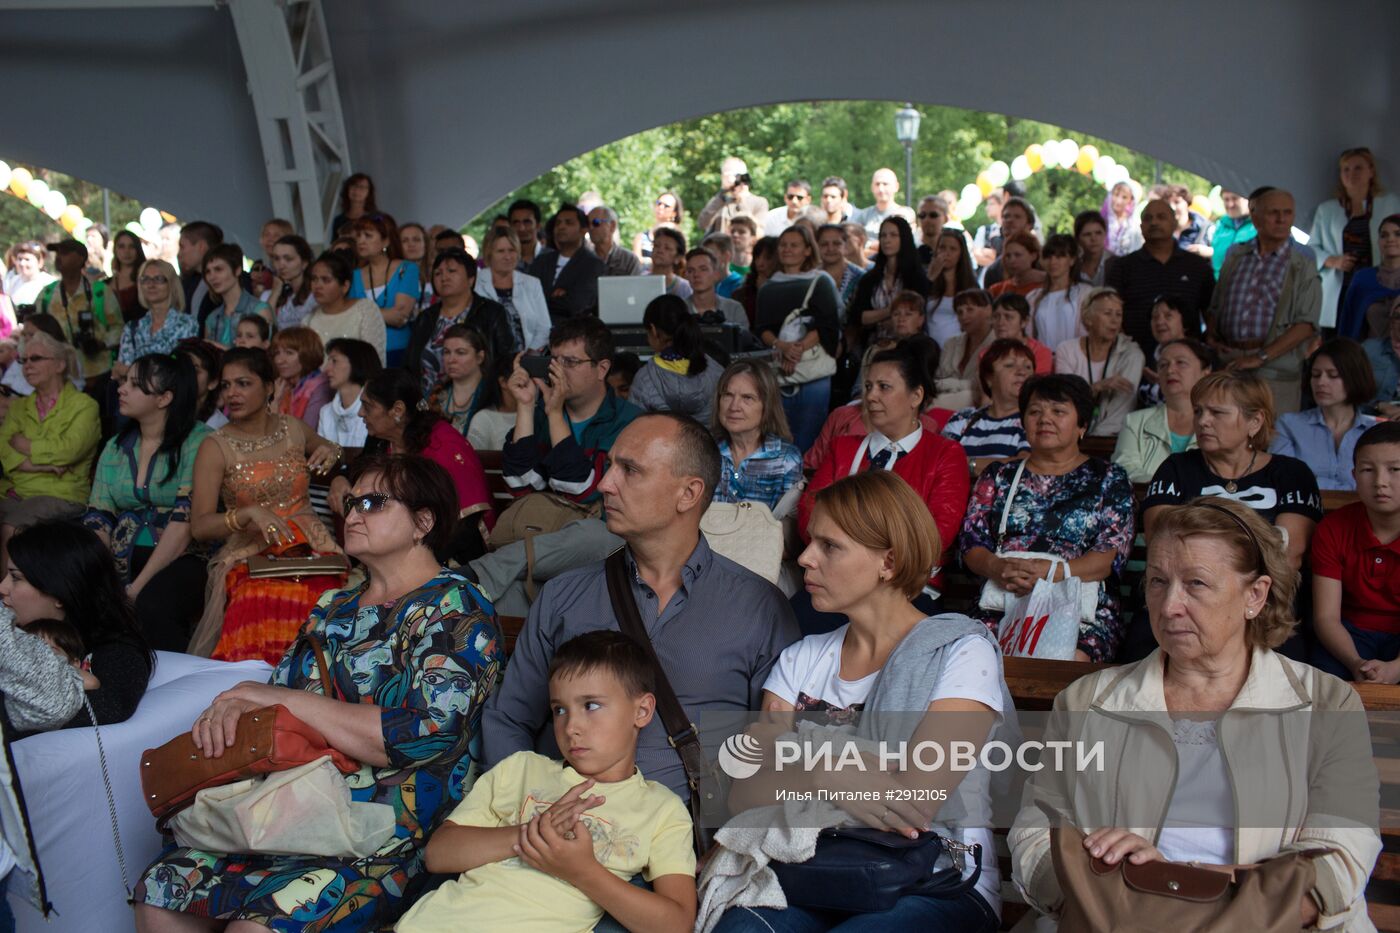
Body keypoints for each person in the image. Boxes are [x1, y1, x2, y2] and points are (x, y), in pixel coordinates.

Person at [134, 453, 502, 933]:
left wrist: (282, 701)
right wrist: (230, 710)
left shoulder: (456, 607)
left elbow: (424, 736)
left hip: (383, 823)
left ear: (423, 522)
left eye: (373, 503)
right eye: (350, 503)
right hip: (292, 804)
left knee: (258, 927)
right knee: (161, 892)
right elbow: (273, 703)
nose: (351, 515)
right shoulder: (335, 604)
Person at [1009, 496, 1381, 932]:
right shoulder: (1086, 702)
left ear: (1255, 595)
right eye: (1157, 582)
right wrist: (1112, 888)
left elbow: (1340, 858)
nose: (1169, 607)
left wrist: (1176, 884)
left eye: (1196, 584)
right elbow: (1036, 833)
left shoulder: (1324, 704)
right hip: (1110, 918)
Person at [711, 469, 1007, 933]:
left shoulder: (961, 650)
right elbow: (743, 796)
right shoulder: (803, 657)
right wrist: (826, 772)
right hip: (811, 867)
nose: (805, 558)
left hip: (933, 880)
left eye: (830, 546)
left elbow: (914, 801)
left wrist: (797, 758)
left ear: (887, 561)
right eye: (810, 542)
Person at [482, 412, 799, 800]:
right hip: (559, 830)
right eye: (610, 465)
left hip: (687, 845)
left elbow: (775, 752)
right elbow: (509, 719)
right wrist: (525, 810)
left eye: (629, 470)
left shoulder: (759, 609)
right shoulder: (565, 596)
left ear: (689, 493)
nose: (605, 484)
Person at [400, 630, 697, 933]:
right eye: (559, 710)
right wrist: (533, 834)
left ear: (642, 710)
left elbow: (676, 924)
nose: (572, 726)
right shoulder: (521, 769)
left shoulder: (661, 809)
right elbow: (438, 855)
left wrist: (583, 871)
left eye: (591, 705)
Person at [960, 373, 1136, 661]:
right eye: (1034, 411)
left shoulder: (1109, 478)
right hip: (1003, 600)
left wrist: (1052, 574)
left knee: (1072, 658)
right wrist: (996, 567)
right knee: (972, 658)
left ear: (1082, 424)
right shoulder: (999, 476)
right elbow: (971, 543)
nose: (1044, 419)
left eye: (1058, 411)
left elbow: (1109, 556)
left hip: (1079, 607)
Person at [186, 348, 346, 663]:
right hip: (251, 554)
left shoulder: (293, 428)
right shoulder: (215, 446)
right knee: (258, 600)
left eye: (243, 383)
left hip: (312, 547)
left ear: (270, 387)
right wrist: (246, 514)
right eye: (226, 386)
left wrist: (333, 454)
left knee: (327, 597)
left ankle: (320, 688)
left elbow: (329, 449)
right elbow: (199, 526)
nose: (232, 394)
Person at [800, 338, 969, 621]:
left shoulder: (945, 453)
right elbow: (809, 510)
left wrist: (868, 562)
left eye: (884, 387)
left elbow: (937, 532)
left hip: (907, 587)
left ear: (916, 396)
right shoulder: (843, 447)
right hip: (833, 580)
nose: (871, 396)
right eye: (868, 387)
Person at [85, 353, 211, 650]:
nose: (121, 389)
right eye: (124, 380)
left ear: (165, 398)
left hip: (184, 556)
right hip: (119, 556)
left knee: (153, 606)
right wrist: (103, 578)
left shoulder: (199, 441)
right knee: (84, 598)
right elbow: (98, 517)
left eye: (135, 384)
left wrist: (134, 590)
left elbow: (184, 523)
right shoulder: (116, 446)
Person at [1143, 370, 1322, 573]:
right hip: (1190, 590)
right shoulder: (1176, 468)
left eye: (1217, 412)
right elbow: (1162, 543)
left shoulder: (1292, 474)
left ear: (1255, 421)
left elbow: (1289, 555)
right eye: (1198, 411)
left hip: (1268, 595)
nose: (1203, 421)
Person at [0, 519, 153, 729]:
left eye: (16, 578)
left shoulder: (114, 651)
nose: (2, 587)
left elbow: (111, 705)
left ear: (58, 591)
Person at [1205, 187, 1321, 414]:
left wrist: (1261, 357)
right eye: (1273, 212)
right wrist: (1211, 335)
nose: (1281, 219)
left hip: (1275, 371)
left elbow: (1306, 324)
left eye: (1287, 213)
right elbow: (1215, 306)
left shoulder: (1302, 263)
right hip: (1230, 362)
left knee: (1272, 440)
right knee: (1227, 435)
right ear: (1255, 215)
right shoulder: (1236, 255)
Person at [502, 316, 639, 504]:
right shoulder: (542, 414)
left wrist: (556, 415)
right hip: (545, 527)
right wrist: (525, 406)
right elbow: (520, 486)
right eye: (554, 360)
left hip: (600, 531)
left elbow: (583, 493)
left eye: (570, 362)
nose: (557, 370)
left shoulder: (629, 422)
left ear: (602, 369)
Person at [1311, 421, 1400, 681]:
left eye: (1395, 469)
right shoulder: (1334, 528)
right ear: (1353, 476)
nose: (1380, 482)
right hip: (1349, 636)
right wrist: (1355, 663)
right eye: (1367, 470)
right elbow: (1326, 617)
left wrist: (1394, 669)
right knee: (1324, 682)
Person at [0, 331, 100, 545]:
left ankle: (8, 580)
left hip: (61, 494)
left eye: (35, 358)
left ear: (60, 365)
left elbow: (68, 450)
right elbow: (2, 448)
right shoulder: (18, 407)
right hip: (14, 491)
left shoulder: (84, 406)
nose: (27, 365)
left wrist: (25, 445)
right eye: (23, 360)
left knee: (12, 526)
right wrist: (40, 467)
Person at [756, 226, 840, 451]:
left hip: (813, 373)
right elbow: (761, 327)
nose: (787, 249)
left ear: (807, 250)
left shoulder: (820, 281)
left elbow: (827, 323)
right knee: (777, 438)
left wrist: (797, 349)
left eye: (794, 245)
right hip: (778, 371)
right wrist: (782, 346)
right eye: (783, 245)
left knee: (810, 439)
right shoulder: (768, 286)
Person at [1105, 197, 1214, 361]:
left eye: (1161, 217)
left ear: (1174, 223)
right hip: (1135, 360)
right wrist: (1128, 356)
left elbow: (1210, 312)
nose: (1154, 222)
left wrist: (1208, 345)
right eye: (1148, 218)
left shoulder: (1197, 266)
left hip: (1188, 361)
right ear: (1141, 227)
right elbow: (1111, 314)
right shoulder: (1123, 267)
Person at [1309, 147, 1400, 327]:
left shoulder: (1390, 203)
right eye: (1346, 169)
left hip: (1382, 285)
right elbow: (1311, 248)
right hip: (1341, 287)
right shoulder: (1327, 210)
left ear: (1371, 171)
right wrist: (1332, 260)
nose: (1352, 174)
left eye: (1358, 168)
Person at [1271, 338, 1378, 491]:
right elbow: (1284, 479)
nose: (1321, 382)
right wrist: (1353, 488)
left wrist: (1312, 480)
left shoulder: (1375, 431)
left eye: (1333, 375)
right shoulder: (1289, 425)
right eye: (1315, 375)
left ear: (1355, 378)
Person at [404, 248, 511, 394]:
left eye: (451, 271)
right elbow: (410, 364)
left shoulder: (491, 312)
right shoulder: (426, 317)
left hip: (477, 398)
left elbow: (505, 360)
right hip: (426, 401)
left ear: (471, 278)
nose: (444, 277)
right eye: (438, 273)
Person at [1113, 338, 1215, 483]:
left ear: (1205, 373)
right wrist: (1169, 487)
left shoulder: (1219, 421)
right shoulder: (1135, 421)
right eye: (1163, 365)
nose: (1170, 370)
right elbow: (1124, 470)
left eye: (1181, 363)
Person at [711, 360, 802, 510]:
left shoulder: (786, 459)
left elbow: (788, 522)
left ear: (767, 406)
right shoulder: (704, 450)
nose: (734, 407)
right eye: (728, 395)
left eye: (747, 398)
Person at [1053, 286, 1145, 436]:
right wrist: (1097, 387)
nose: (1115, 320)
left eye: (1119, 314)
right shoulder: (1067, 349)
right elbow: (1064, 398)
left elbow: (1122, 408)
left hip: (1110, 436)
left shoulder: (1131, 354)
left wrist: (1096, 438)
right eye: (1107, 313)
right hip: (1069, 432)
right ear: (1087, 318)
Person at [35, 238, 120, 392]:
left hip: (97, 374)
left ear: (81, 258)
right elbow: (34, 332)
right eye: (57, 253)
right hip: (59, 374)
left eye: (65, 253)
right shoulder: (47, 294)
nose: (59, 257)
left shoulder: (99, 291)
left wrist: (100, 344)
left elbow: (119, 328)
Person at [628, 295, 722, 425]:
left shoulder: (644, 379)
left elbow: (635, 429)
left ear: (653, 330)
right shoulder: (716, 371)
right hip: (710, 445)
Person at [942, 338, 1035, 469]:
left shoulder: (1033, 420)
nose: (1022, 372)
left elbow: (1022, 466)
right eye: (1010, 365)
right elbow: (940, 462)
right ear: (988, 378)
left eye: (1028, 367)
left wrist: (968, 465)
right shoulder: (963, 418)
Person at [349, 215, 420, 366]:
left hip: (398, 352)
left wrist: (362, 312)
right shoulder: (354, 275)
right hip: (365, 355)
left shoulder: (407, 268)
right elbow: (350, 316)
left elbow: (400, 317)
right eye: (359, 236)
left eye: (368, 235)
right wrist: (384, 314)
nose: (361, 241)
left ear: (386, 241)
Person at [849, 216, 930, 342]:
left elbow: (918, 313)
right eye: (883, 235)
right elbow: (859, 316)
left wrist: (877, 317)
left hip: (908, 346)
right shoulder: (870, 278)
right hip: (874, 345)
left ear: (903, 238)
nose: (887, 240)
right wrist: (890, 311)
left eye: (893, 235)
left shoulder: (916, 277)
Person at [115, 258, 197, 380]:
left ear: (172, 284)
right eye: (145, 279)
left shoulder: (187, 324)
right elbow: (121, 375)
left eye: (158, 279)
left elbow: (183, 372)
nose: (151, 284)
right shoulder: (132, 328)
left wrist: (132, 372)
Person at [475, 228, 552, 355]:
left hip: (527, 359)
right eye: (500, 251)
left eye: (512, 250)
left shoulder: (532, 283)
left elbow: (544, 328)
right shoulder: (475, 283)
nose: (507, 256)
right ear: (489, 253)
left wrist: (529, 355)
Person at [304, 250, 388, 362]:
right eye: (314, 279)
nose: (317, 286)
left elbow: (374, 361)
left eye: (326, 280)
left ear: (345, 286)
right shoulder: (308, 320)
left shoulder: (365, 310)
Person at [528, 205, 606, 322]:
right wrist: (555, 295)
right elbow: (528, 298)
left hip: (572, 331)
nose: (561, 227)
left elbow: (577, 305)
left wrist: (544, 297)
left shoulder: (593, 264)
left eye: (568, 223)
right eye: (558, 223)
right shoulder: (541, 260)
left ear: (583, 230)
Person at [1337, 212, 1400, 340]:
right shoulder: (1363, 279)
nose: (1390, 239)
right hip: (1369, 355)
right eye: (1384, 235)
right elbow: (1347, 324)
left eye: (1398, 234)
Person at [422, 324, 494, 435]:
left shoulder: (494, 394)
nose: (451, 360)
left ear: (480, 357)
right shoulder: (434, 394)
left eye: (460, 352)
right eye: (446, 352)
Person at [200, 242, 273, 348]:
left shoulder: (260, 310)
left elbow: (264, 356)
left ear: (237, 270)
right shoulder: (212, 318)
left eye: (218, 269)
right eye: (207, 272)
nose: (212, 276)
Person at [934, 287, 996, 410]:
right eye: (959, 312)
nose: (964, 316)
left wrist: (951, 384)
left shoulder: (997, 344)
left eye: (970, 309)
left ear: (988, 310)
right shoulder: (950, 344)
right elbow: (939, 378)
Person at [318, 337, 380, 454]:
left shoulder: (377, 410)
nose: (326, 369)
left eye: (334, 361)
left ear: (357, 362)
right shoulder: (325, 412)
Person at [1028, 233, 1090, 351]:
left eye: (1060, 256)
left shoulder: (1085, 293)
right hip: (1043, 363)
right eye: (1048, 257)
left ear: (1072, 260)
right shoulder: (1033, 297)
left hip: (1075, 363)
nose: (1053, 262)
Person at [270, 325, 333, 429]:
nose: (279, 360)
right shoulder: (283, 386)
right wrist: (276, 399)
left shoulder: (320, 388)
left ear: (307, 354)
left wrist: (275, 403)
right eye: (277, 353)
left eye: (289, 353)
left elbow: (306, 434)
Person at [925, 229, 979, 347]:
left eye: (953, 249)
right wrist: (931, 276)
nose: (947, 253)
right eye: (942, 248)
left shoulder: (970, 284)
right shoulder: (927, 280)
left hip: (959, 348)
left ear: (961, 254)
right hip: (931, 349)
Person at [847, 168, 916, 252]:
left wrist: (868, 245)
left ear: (896, 186)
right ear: (872, 187)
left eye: (885, 184)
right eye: (877, 184)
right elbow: (851, 240)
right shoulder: (864, 215)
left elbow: (903, 243)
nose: (881, 189)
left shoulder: (905, 214)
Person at [980, 197, 1040, 290]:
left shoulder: (1046, 262)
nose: (1010, 220)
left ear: (1029, 224)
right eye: (1006, 216)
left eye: (1017, 216)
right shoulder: (993, 271)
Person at [698, 157, 770, 234]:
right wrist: (722, 195)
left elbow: (758, 231)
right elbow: (702, 224)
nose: (730, 179)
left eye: (735, 175)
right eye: (726, 176)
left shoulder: (759, 202)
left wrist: (741, 200)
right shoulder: (719, 201)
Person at [262, 234, 318, 330]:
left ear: (304, 263)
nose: (281, 265)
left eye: (288, 259)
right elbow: (262, 327)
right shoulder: (274, 294)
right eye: (276, 259)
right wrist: (275, 292)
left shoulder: (315, 293)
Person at [988, 293, 1052, 374]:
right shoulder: (986, 354)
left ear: (1024, 321)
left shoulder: (1040, 353)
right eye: (996, 317)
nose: (1000, 322)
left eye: (1008, 317)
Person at [683, 247, 748, 327]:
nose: (696, 275)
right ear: (686, 276)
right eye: (691, 271)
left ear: (716, 274)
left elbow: (744, 338)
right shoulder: (679, 311)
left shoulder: (734, 309)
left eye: (703, 269)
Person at [467, 356, 520, 453]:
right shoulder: (483, 419)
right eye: (522, 376)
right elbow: (474, 460)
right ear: (503, 382)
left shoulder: (538, 414)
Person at [174, 338, 225, 427]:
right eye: (179, 367)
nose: (184, 374)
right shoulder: (160, 417)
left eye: (194, 370)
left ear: (213, 382)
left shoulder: (219, 428)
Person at [815, 224, 864, 314]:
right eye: (824, 244)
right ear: (817, 246)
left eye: (836, 243)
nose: (830, 248)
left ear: (845, 245)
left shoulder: (860, 277)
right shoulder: (810, 276)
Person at [1207, 189, 1257, 276]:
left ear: (1248, 199)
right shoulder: (1221, 225)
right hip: (1218, 283)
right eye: (1226, 200)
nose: (1230, 204)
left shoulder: (1259, 226)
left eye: (1235, 198)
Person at [732, 235, 777, 328]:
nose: (760, 263)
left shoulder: (786, 288)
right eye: (757, 257)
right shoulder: (741, 293)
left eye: (767, 258)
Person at [1365, 296, 1400, 417]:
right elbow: (1346, 389)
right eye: (1398, 317)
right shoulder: (1369, 350)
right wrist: (1379, 404)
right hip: (1374, 423)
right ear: (1391, 321)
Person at [104, 229, 148, 324]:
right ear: (115, 250)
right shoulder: (104, 284)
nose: (126, 251)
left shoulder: (147, 281)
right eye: (121, 246)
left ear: (138, 250)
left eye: (131, 246)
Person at [586, 205, 642, 276]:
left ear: (612, 226)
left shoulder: (628, 260)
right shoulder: (583, 259)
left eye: (596, 222)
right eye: (587, 224)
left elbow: (635, 286)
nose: (591, 228)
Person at [634, 190, 684, 270]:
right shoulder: (641, 237)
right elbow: (636, 261)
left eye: (666, 206)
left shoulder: (677, 234)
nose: (660, 207)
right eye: (658, 203)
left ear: (674, 213)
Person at [987, 232, 1043, 298]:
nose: (1012, 260)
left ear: (1033, 256)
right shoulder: (996, 290)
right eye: (1008, 256)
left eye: (1018, 255)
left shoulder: (1049, 286)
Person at [1101, 180, 1143, 257]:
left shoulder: (1133, 226)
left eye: (1124, 197)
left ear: (1130, 200)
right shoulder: (1101, 221)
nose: (1119, 201)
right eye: (1116, 195)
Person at [648, 226, 693, 300]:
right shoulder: (639, 282)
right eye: (656, 246)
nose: (660, 251)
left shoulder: (685, 288)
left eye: (667, 248)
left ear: (677, 258)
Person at [6, 241, 54, 307]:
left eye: (27, 259)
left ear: (40, 262)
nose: (22, 263)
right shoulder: (13, 281)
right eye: (19, 259)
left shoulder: (48, 283)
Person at [329, 170, 377, 236]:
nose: (357, 190)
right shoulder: (338, 220)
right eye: (354, 186)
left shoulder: (376, 218)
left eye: (362, 187)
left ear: (369, 192)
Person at [701, 232, 743, 298]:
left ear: (726, 256)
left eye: (710, 254)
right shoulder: (703, 283)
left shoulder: (739, 285)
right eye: (704, 255)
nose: (705, 259)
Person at [1168, 185, 1209, 252]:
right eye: (1168, 203)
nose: (1172, 207)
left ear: (1187, 203)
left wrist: (1207, 252)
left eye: (1177, 202)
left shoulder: (1204, 228)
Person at [1073, 210, 1109, 287]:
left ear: (1105, 234)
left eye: (1098, 233)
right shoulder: (1072, 266)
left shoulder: (1117, 263)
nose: (1093, 239)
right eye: (1087, 234)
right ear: (1077, 239)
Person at [509, 198, 544, 268]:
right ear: (510, 227)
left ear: (538, 226)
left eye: (527, 222)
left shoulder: (553, 258)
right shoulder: (505, 259)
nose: (521, 228)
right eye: (516, 223)